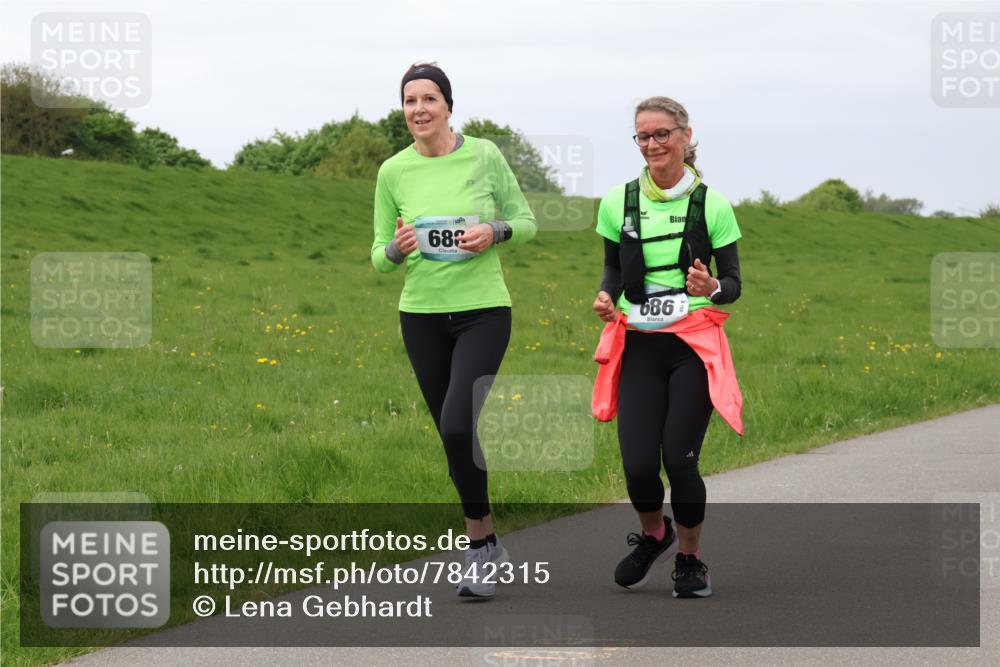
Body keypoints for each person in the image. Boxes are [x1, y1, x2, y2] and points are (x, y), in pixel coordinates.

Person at [371, 63, 537, 599]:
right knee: (451, 433)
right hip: (420, 316)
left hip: (483, 310)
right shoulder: (392, 172)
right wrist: (397, 248)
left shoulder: (484, 155)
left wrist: (495, 230)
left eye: (429, 99)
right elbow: (379, 256)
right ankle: (486, 542)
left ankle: (478, 546)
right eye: (409, 101)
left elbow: (526, 220)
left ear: (448, 105)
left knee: (459, 423)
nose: (418, 109)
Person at [592, 96, 744, 598]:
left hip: (691, 345)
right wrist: (606, 295)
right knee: (637, 464)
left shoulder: (713, 204)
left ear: (684, 135)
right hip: (639, 342)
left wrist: (711, 288)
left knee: (679, 461)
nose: (652, 144)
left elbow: (735, 282)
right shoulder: (619, 201)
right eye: (643, 136)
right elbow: (614, 267)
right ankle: (657, 534)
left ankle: (690, 559)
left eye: (661, 134)